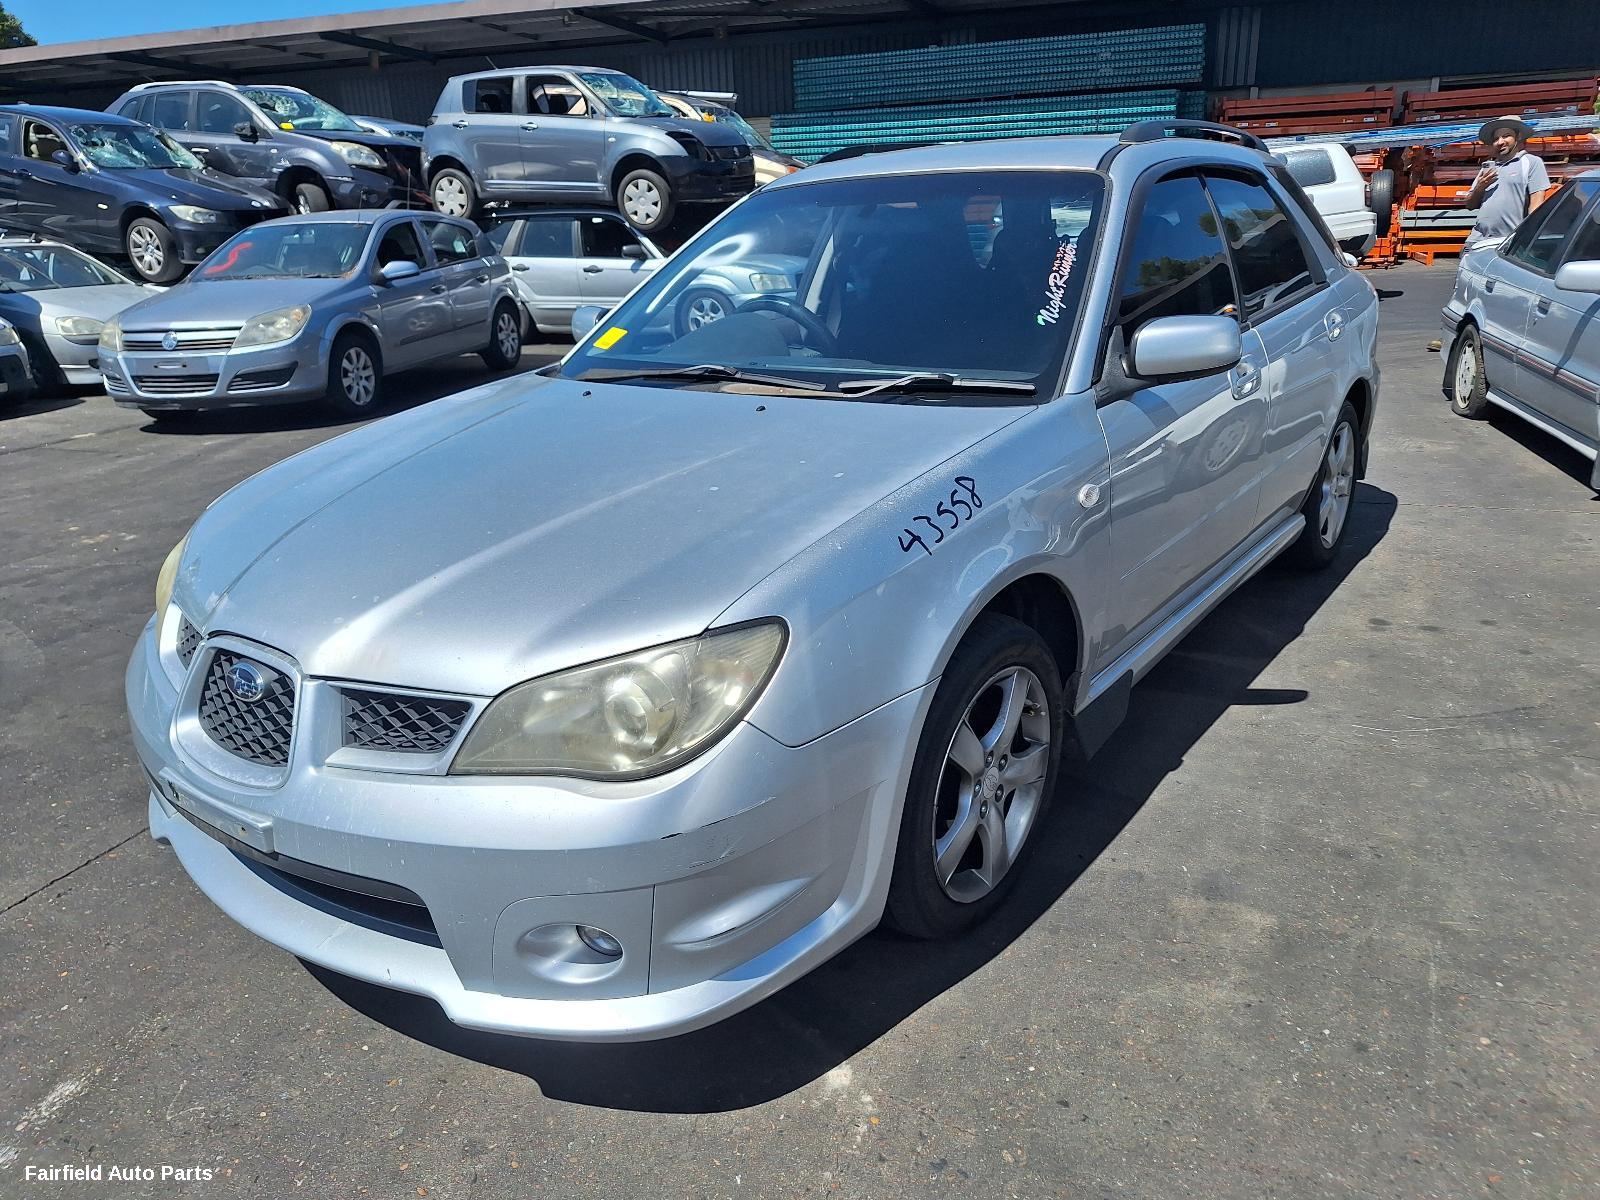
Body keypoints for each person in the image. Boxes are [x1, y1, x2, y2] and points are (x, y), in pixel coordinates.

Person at [1461, 115, 1553, 248]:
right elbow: (1470, 205)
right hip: (1476, 240)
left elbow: (1536, 206)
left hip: (1506, 242)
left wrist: (1527, 239)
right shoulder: (1488, 167)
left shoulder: (1530, 162)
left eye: (1506, 136)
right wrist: (1480, 187)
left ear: (1519, 136)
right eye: (1496, 139)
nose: (1500, 142)